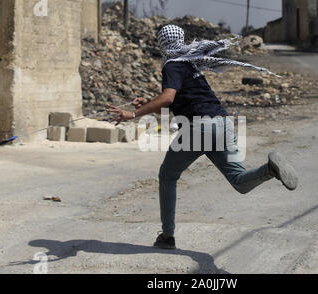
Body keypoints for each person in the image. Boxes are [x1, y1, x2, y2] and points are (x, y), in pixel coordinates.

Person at [106, 25, 298, 250]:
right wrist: (149, 104)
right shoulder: (190, 63)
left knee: (167, 175)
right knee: (239, 181)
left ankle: (167, 236)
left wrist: (133, 114)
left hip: (199, 127)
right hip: (222, 123)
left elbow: (168, 98)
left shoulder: (172, 65)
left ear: (161, 43)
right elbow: (176, 106)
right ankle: (270, 170)